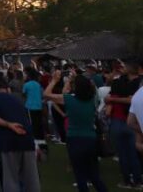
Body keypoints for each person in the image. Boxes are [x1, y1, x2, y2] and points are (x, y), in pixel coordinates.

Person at [45, 72, 109, 192]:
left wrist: (54, 80)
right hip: (90, 138)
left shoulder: (69, 100)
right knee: (94, 175)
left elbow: (47, 94)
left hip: (74, 139)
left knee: (80, 175)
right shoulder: (92, 100)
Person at [0, 74, 40, 192]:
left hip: (7, 142)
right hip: (27, 140)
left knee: (10, 179)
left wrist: (8, 124)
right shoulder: (17, 100)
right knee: (31, 179)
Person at [106, 60, 142, 188]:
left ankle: (130, 179)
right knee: (129, 152)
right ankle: (134, 180)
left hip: (123, 120)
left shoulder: (121, 82)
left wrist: (114, 99)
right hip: (131, 121)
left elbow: (111, 97)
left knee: (127, 152)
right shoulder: (135, 83)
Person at [22, 67, 47, 158]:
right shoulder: (38, 85)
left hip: (30, 107)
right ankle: (42, 147)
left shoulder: (26, 84)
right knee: (39, 126)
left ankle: (35, 148)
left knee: (32, 127)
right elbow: (43, 95)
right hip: (38, 107)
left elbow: (24, 94)